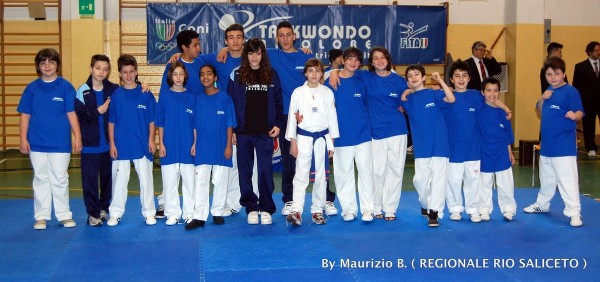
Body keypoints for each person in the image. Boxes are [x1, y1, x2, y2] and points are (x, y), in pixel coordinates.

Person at [330, 47, 408, 221]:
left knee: (382, 172)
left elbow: (408, 97)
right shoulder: (363, 77)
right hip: (361, 134)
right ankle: (351, 210)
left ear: (388, 59)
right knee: (370, 173)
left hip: (374, 133)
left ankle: (376, 209)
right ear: (371, 62)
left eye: (383, 57)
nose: (379, 61)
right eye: (375, 58)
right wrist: (334, 72)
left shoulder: (391, 80)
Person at [269, 21, 338, 217]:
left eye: (288, 35)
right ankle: (290, 200)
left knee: (321, 162)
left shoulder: (305, 56)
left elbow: (320, 73)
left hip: (310, 116)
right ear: (276, 38)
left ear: (294, 36)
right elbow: (248, 51)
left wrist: (334, 73)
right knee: (290, 160)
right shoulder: (271, 54)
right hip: (285, 113)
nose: (285, 39)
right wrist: (224, 49)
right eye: (281, 35)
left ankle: (325, 199)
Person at [18, 48, 82, 230]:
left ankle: (64, 215)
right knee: (40, 178)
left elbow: (72, 114)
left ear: (57, 65)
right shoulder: (31, 89)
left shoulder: (65, 87)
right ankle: (41, 216)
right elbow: (24, 116)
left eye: (51, 62)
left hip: (60, 143)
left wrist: (77, 137)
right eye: (43, 62)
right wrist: (23, 139)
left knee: (60, 178)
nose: (47, 66)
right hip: (37, 142)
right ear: (38, 66)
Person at [443, 60, 511, 223]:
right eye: (457, 76)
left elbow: (492, 99)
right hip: (453, 148)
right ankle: (455, 209)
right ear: (451, 79)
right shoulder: (446, 96)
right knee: (453, 181)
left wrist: (505, 108)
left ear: (469, 78)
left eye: (464, 76)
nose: (460, 79)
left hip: (473, 149)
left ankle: (473, 209)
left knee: (473, 182)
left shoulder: (475, 95)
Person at [228, 38, 283, 225]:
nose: (254, 57)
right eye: (251, 53)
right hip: (243, 132)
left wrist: (278, 123)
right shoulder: (237, 74)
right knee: (245, 171)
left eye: (257, 53)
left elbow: (278, 101)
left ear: (262, 54)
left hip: (265, 132)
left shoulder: (271, 74)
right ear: (246, 55)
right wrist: (233, 130)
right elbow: (230, 103)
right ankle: (251, 206)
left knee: (265, 171)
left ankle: (267, 208)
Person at [524, 57, 584, 227]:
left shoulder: (571, 91)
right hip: (547, 145)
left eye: (556, 74)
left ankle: (574, 212)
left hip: (563, 146)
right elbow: (540, 110)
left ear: (563, 73)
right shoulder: (549, 90)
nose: (553, 77)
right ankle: (542, 204)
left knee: (567, 180)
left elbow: (580, 112)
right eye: (549, 74)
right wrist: (542, 98)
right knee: (547, 178)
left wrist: (575, 115)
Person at [155, 29, 205, 219]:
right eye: (195, 45)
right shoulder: (173, 66)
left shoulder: (200, 61)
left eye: (199, 44)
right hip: (173, 130)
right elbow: (162, 114)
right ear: (184, 47)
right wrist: (161, 142)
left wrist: (225, 48)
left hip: (192, 126)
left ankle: (190, 211)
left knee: (190, 175)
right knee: (170, 175)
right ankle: (168, 206)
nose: (199, 48)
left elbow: (216, 57)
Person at [285, 59, 339, 226]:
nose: (314, 74)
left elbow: (332, 118)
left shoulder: (327, 93)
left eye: (317, 71)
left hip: (322, 139)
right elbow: (292, 118)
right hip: (303, 138)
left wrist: (331, 144)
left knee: (321, 177)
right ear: (305, 73)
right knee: (301, 175)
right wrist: (293, 142)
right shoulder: (298, 92)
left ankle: (317, 210)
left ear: (322, 73)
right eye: (311, 71)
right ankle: (296, 210)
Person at [325, 47, 374, 222]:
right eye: (350, 59)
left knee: (366, 172)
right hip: (341, 136)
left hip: (363, 135)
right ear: (343, 60)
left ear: (360, 63)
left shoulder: (363, 80)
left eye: (357, 60)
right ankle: (349, 209)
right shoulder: (331, 82)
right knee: (343, 174)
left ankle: (368, 209)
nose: (353, 63)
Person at [401, 65, 455, 227]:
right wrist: (407, 91)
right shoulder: (407, 100)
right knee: (420, 180)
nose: (413, 77)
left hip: (439, 145)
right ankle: (425, 204)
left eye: (417, 74)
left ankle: (434, 212)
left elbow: (451, 99)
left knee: (439, 180)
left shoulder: (434, 93)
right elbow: (402, 99)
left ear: (424, 77)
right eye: (410, 75)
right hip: (422, 147)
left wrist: (440, 81)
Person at [107, 54, 157, 226]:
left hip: (142, 143)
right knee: (119, 181)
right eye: (125, 72)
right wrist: (112, 144)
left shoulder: (145, 94)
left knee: (146, 180)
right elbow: (111, 122)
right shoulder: (116, 95)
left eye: (131, 71)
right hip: (121, 144)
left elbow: (152, 120)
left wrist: (152, 140)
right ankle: (115, 212)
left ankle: (149, 212)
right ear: (120, 74)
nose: (128, 75)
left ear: (136, 72)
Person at [75, 55, 118, 226]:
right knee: (90, 183)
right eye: (98, 68)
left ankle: (103, 209)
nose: (101, 72)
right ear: (91, 68)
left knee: (108, 180)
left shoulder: (113, 90)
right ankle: (93, 214)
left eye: (105, 69)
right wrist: (97, 111)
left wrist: (142, 85)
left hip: (108, 146)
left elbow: (131, 90)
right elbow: (80, 116)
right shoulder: (82, 90)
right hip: (89, 147)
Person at [192, 64, 236, 228]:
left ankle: (217, 212)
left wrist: (228, 145)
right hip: (203, 146)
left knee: (220, 180)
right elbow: (195, 125)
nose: (205, 77)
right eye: (202, 74)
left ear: (215, 77)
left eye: (209, 74)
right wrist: (195, 144)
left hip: (221, 145)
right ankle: (199, 215)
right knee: (201, 181)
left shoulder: (225, 98)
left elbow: (229, 124)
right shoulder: (197, 99)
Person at [156, 61, 195, 227]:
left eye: (181, 74)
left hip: (187, 146)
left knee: (189, 182)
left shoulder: (192, 97)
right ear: (170, 77)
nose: (178, 77)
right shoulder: (164, 98)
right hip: (169, 146)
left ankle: (190, 213)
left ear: (185, 75)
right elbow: (161, 123)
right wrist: (161, 144)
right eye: (175, 74)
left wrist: (195, 143)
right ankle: (172, 213)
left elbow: (195, 124)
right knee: (170, 183)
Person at [478, 77, 517, 221]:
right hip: (484, 153)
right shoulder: (479, 109)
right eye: (489, 90)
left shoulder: (503, 114)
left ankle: (508, 209)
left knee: (505, 184)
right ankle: (484, 209)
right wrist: (506, 107)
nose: (492, 94)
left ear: (499, 92)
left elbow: (507, 134)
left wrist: (509, 151)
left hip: (501, 153)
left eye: (495, 91)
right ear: (482, 92)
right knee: (484, 184)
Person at [572, 41, 600, 157]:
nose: (599, 52)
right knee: (589, 125)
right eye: (596, 50)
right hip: (588, 102)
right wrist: (578, 102)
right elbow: (576, 85)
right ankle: (590, 148)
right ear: (589, 52)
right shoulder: (580, 66)